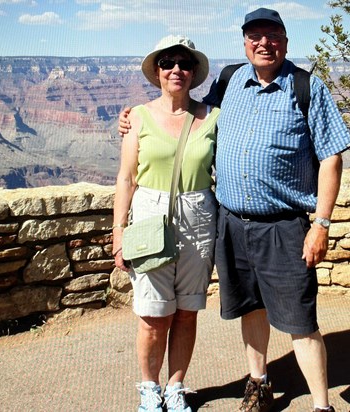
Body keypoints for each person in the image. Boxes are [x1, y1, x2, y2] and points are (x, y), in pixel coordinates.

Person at [119, 8, 350, 412]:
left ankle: (321, 405)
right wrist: (130, 118)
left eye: (272, 35)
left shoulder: (306, 88)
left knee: (300, 320)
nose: (264, 43)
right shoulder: (229, 83)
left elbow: (331, 158)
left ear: (285, 40)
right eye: (255, 36)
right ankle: (258, 384)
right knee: (251, 308)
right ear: (245, 42)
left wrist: (322, 224)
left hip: (284, 225)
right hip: (231, 223)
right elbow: (183, 111)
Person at [112, 35, 219, 412]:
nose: (177, 70)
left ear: (194, 73)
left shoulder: (212, 116)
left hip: (198, 216)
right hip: (149, 215)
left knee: (187, 311)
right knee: (153, 315)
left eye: (185, 63)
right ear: (157, 71)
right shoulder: (137, 117)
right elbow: (126, 178)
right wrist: (118, 231)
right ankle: (148, 387)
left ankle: (175, 387)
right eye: (168, 63)